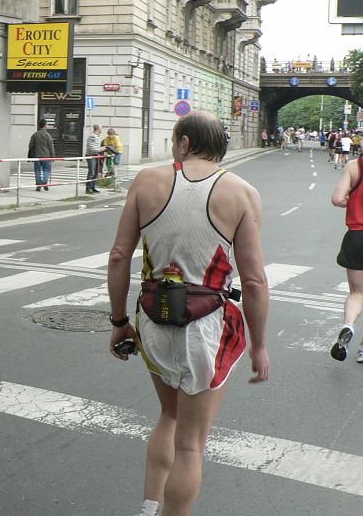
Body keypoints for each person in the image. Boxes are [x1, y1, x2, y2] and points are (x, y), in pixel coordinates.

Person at [107, 111, 269, 516]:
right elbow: (253, 282)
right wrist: (260, 346)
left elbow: (118, 256)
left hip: (154, 317)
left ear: (183, 144)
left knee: (168, 415)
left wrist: (118, 322)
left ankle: (149, 506)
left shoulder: (147, 181)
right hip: (208, 328)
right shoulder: (242, 193)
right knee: (192, 444)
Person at [330, 150, 363, 363]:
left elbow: (337, 199)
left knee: (357, 292)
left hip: (357, 236)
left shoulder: (355, 166)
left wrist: (352, 200)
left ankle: (348, 325)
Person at [28, 118, 54, 191]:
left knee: (37, 170)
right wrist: (52, 156)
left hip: (37, 156)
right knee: (46, 170)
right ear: (45, 125)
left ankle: (39, 185)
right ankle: (44, 182)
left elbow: (30, 145)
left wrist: (33, 153)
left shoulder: (35, 135)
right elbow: (51, 147)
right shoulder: (48, 135)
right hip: (46, 156)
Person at [85, 124, 104, 194]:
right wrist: (101, 149)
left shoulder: (97, 137)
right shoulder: (92, 137)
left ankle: (93, 187)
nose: (102, 130)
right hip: (91, 156)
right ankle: (88, 188)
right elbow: (92, 149)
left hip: (96, 156)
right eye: (101, 128)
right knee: (91, 172)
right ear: (98, 129)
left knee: (95, 172)